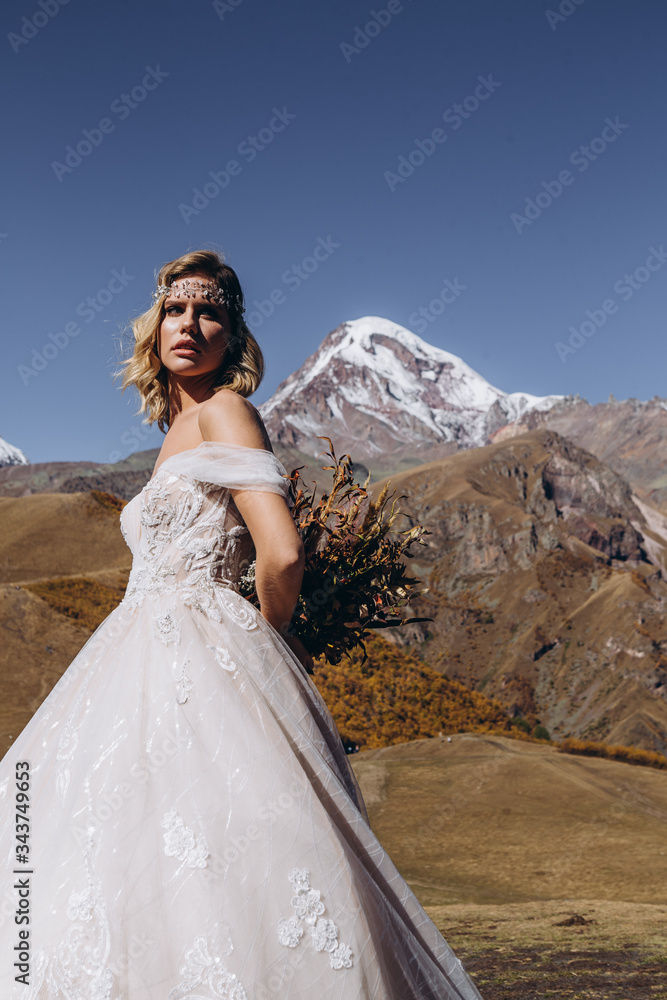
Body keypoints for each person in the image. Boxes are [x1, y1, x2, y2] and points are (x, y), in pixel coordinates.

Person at [0, 250, 483, 999]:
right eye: (175, 309)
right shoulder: (180, 426)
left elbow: (281, 551)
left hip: (197, 648)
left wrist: (270, 634)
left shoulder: (224, 411)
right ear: (153, 328)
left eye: (209, 311)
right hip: (142, 655)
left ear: (234, 335)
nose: (189, 324)